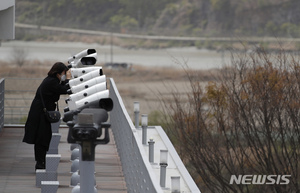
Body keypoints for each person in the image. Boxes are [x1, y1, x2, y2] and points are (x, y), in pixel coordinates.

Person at [23, 62, 71, 170]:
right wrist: (69, 78)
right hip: (40, 114)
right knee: (41, 138)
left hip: (41, 112)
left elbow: (63, 87)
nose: (64, 75)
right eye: (64, 72)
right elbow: (64, 90)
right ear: (58, 73)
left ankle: (41, 163)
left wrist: (67, 79)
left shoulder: (52, 80)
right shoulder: (51, 82)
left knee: (44, 137)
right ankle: (40, 164)